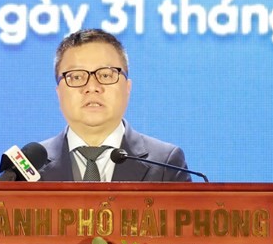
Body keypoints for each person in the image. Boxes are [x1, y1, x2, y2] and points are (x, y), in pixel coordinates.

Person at [37, 29, 192, 182]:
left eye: (105, 75)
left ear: (127, 88)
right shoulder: (31, 167)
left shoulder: (166, 164)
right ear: (59, 92)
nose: (92, 87)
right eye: (76, 77)